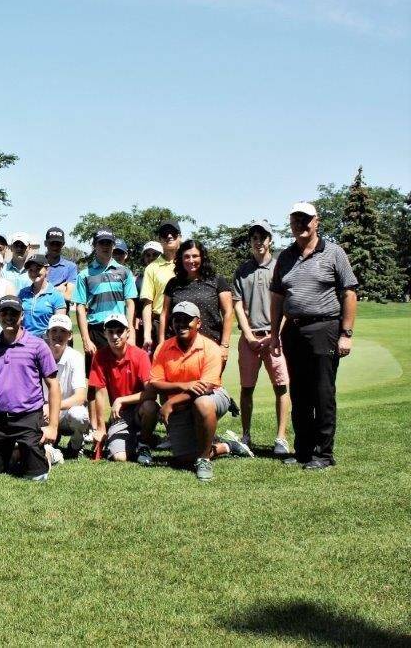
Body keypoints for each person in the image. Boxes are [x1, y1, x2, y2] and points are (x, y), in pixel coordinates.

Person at [269, 201, 358, 470]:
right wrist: (274, 334)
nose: (301, 225)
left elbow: (349, 293)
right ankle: (304, 451)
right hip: (293, 330)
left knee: (322, 393)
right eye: (296, 220)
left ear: (316, 221)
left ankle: (324, 454)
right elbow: (277, 298)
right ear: (290, 224)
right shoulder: (285, 257)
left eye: (306, 219)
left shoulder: (334, 253)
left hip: (324, 328)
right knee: (300, 393)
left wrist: (346, 333)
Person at [137, 302, 253, 481]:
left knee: (202, 403)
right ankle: (227, 446)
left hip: (212, 395)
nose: (181, 324)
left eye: (187, 320)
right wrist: (183, 386)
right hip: (182, 404)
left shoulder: (210, 347)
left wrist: (171, 402)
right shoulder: (163, 348)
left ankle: (204, 460)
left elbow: (205, 388)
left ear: (198, 323)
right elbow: (155, 383)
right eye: (177, 320)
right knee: (183, 458)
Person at [0, 296, 60, 480]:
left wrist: (52, 426)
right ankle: (16, 452)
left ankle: (48, 453)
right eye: (4, 313)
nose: (9, 317)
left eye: (14, 313)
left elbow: (53, 386)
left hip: (28, 417)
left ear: (22, 316)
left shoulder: (38, 346)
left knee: (36, 475)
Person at [233, 220, 291, 455]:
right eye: (254, 238)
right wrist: (248, 335)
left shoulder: (280, 267)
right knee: (247, 388)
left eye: (263, 237)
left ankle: (281, 437)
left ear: (270, 240)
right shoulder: (242, 270)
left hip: (275, 338)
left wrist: (275, 334)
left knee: (281, 387)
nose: (258, 242)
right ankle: (246, 436)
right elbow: (237, 305)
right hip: (250, 339)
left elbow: (287, 305)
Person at [158, 240, 233, 369]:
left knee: (209, 382)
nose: (191, 260)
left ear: (202, 257)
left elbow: (228, 313)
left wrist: (224, 346)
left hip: (211, 346)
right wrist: (161, 344)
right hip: (178, 348)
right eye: (186, 257)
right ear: (181, 259)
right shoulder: (173, 284)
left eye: (195, 256)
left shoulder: (217, 281)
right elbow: (164, 314)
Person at [88, 314, 150, 463]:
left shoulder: (140, 355)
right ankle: (134, 438)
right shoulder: (100, 356)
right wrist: (101, 427)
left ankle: (144, 444)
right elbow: (99, 393)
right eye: (110, 332)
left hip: (140, 408)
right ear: (104, 333)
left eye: (119, 331)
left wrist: (121, 400)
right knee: (119, 457)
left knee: (150, 407)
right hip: (120, 414)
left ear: (128, 332)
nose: (115, 336)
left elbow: (151, 393)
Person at [73, 228, 137, 373]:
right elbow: (80, 307)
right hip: (96, 331)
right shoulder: (84, 275)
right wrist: (86, 339)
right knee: (96, 380)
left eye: (109, 243)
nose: (105, 246)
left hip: (119, 330)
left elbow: (130, 303)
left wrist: (131, 333)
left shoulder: (125, 272)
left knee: (121, 376)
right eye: (101, 243)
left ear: (113, 246)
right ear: (94, 246)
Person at [43, 314, 89, 460]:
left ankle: (76, 445)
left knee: (79, 415)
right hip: (44, 412)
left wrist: (53, 407)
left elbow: (80, 397)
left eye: (63, 331)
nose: (58, 335)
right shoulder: (39, 356)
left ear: (70, 335)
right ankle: (50, 441)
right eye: (54, 330)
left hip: (67, 412)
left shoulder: (76, 357)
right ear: (47, 334)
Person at [141, 220, 182, 354]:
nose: (169, 236)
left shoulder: (188, 262)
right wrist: (147, 334)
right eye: (165, 234)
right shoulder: (151, 268)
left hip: (186, 322)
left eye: (173, 233)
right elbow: (147, 304)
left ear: (180, 237)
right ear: (160, 239)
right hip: (160, 324)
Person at [19, 253, 68, 337]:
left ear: (47, 270)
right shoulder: (22, 293)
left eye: (38, 268)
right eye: (30, 269)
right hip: (24, 340)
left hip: (46, 341)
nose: (33, 272)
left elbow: (59, 326)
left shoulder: (56, 296)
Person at [134, 241, 163, 345]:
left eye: (155, 254)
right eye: (148, 255)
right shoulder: (137, 280)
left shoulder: (169, 277)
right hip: (142, 327)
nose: (151, 258)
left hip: (161, 324)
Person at [42, 226, 78, 304]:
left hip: (61, 310)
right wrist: (57, 290)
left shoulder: (71, 267)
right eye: (52, 243)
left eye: (58, 244)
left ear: (63, 244)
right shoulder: (38, 264)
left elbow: (69, 296)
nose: (55, 247)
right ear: (45, 243)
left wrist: (43, 292)